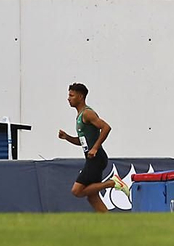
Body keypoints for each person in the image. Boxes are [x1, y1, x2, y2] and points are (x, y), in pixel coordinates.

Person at [56, 83, 130, 213]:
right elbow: (83, 142)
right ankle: (108, 224)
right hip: (93, 158)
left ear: (80, 96)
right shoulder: (80, 115)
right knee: (92, 196)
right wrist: (67, 137)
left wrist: (95, 148)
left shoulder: (87, 113)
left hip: (96, 158)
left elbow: (106, 127)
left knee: (77, 191)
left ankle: (113, 183)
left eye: (71, 95)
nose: (68, 98)